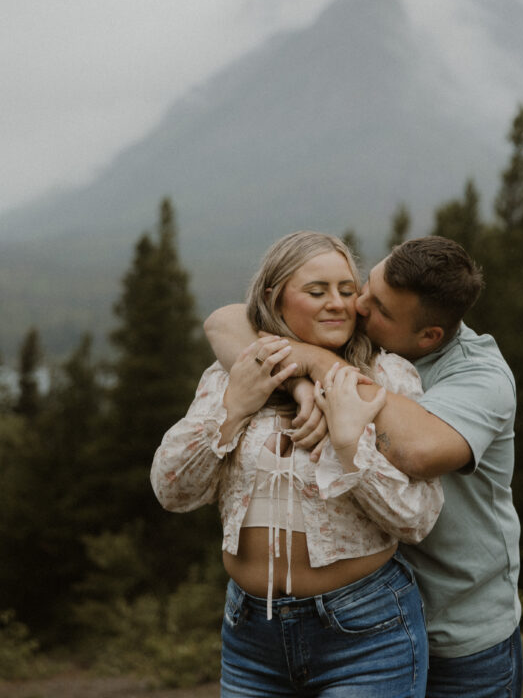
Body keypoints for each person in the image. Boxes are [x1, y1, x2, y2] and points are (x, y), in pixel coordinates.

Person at [205, 235, 523, 698]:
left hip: (457, 634)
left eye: (380, 309)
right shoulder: (357, 334)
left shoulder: (479, 377)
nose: (356, 307)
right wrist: (299, 384)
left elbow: (417, 451)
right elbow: (226, 321)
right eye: (365, 287)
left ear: (428, 335)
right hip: (351, 612)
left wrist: (314, 362)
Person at [151, 231, 443, 698]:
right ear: (274, 297)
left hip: (367, 632)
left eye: (347, 291)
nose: (337, 304)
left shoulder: (384, 377)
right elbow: (172, 491)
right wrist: (236, 407)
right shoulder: (232, 373)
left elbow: (418, 518)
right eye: (316, 290)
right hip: (250, 636)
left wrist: (350, 447)